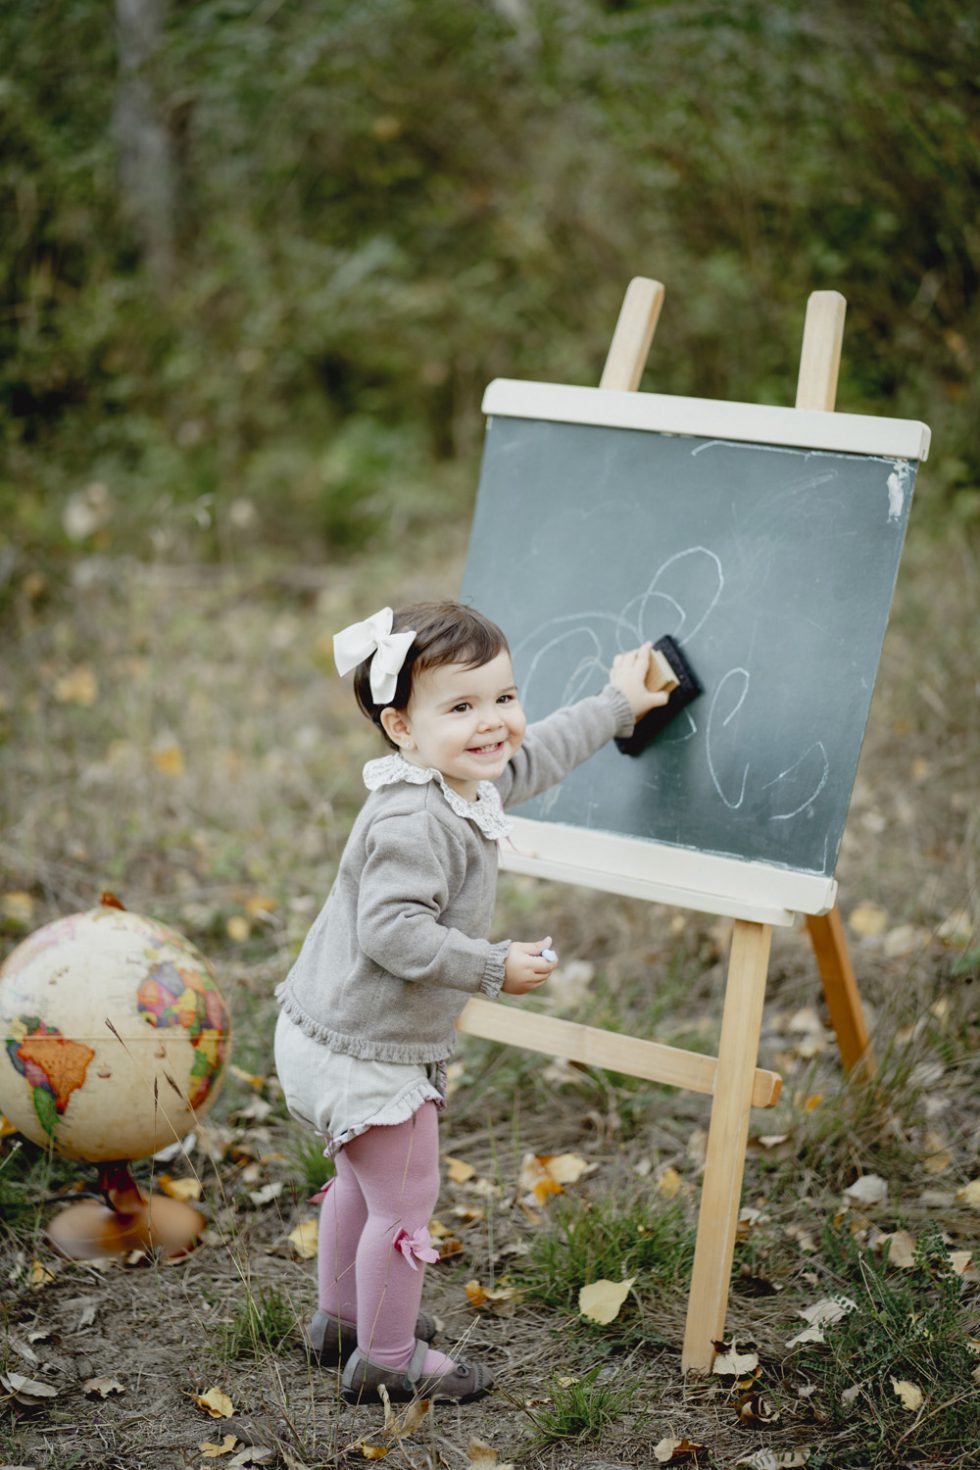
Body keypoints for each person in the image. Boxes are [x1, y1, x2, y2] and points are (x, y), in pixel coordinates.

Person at [274, 601, 667, 1405]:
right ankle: (389, 1359)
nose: (494, 723)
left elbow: (536, 755)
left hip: (324, 1034)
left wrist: (620, 705)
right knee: (405, 1205)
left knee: (360, 1185)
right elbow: (391, 930)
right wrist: (488, 966)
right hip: (366, 1056)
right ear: (400, 726)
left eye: (503, 696)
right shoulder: (418, 816)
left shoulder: (451, 780)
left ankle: (342, 1322)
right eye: (462, 707)